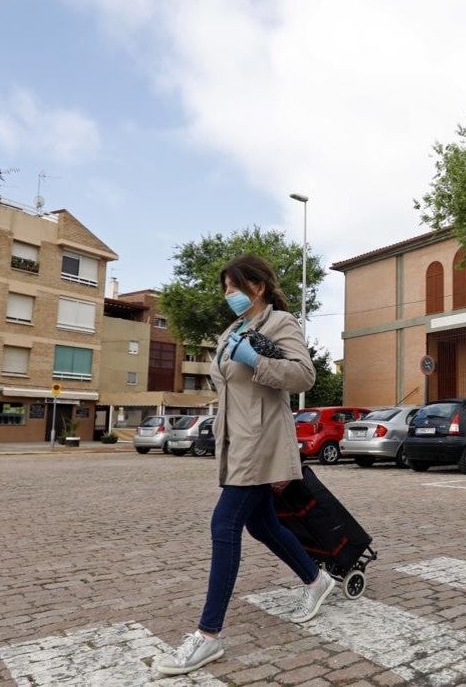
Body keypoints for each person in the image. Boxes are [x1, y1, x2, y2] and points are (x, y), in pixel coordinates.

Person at [157, 254, 333, 677]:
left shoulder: (280, 324)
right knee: (263, 525)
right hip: (235, 443)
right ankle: (316, 579)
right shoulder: (230, 332)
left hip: (262, 443)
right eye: (225, 288)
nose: (227, 296)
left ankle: (208, 636)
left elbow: (304, 376)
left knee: (225, 525)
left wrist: (257, 361)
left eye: (233, 287)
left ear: (256, 287)